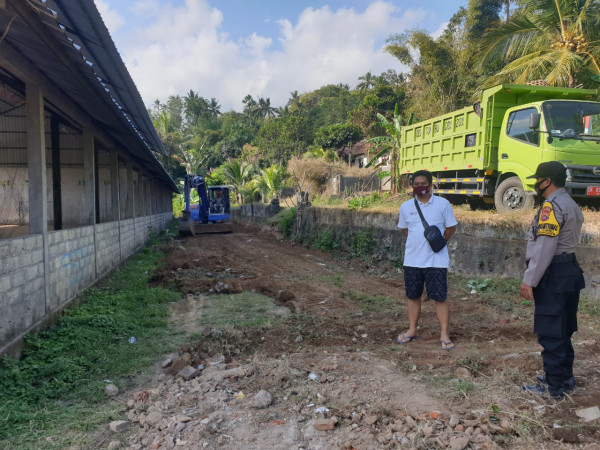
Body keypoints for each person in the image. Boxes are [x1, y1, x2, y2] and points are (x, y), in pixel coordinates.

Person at [520, 161, 585, 398]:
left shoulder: (551, 206)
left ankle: (554, 386)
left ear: (547, 181)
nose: (536, 184)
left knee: (551, 331)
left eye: (538, 180)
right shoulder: (571, 203)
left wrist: (530, 279)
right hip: (569, 271)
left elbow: (545, 247)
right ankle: (564, 378)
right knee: (564, 328)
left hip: (553, 274)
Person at [397, 170, 458, 350]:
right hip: (412, 261)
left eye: (423, 184)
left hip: (436, 261)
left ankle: (444, 334)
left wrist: (439, 243)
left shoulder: (443, 204)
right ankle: (412, 330)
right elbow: (405, 230)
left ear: (430, 185)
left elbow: (451, 228)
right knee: (413, 296)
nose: (419, 187)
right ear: (412, 187)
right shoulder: (406, 207)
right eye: (416, 185)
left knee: (440, 297)